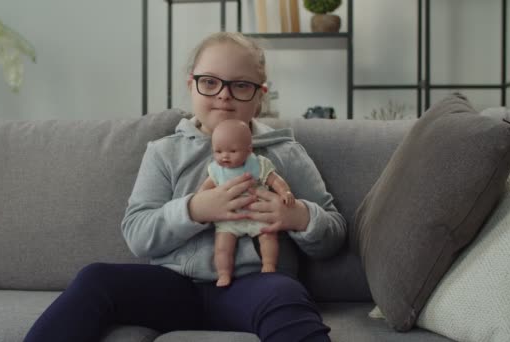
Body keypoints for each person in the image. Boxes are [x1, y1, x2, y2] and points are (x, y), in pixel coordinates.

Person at [24, 32, 346, 342]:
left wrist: (299, 217)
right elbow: (138, 233)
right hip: (174, 288)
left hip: (254, 287)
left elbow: (334, 232)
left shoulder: (284, 152)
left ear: (260, 96)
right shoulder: (164, 152)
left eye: (241, 86)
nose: (224, 94)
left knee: (286, 295)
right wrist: (194, 210)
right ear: (191, 86)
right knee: (95, 279)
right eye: (210, 82)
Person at [200, 119, 295, 287]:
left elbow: (275, 180)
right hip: (229, 219)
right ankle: (223, 273)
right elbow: (205, 189)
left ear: (248, 150)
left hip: (257, 213)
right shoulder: (216, 170)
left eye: (232, 151)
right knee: (222, 246)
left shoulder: (257, 164)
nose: (224, 156)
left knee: (269, 236)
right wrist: (200, 201)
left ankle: (268, 265)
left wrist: (284, 192)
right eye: (218, 151)